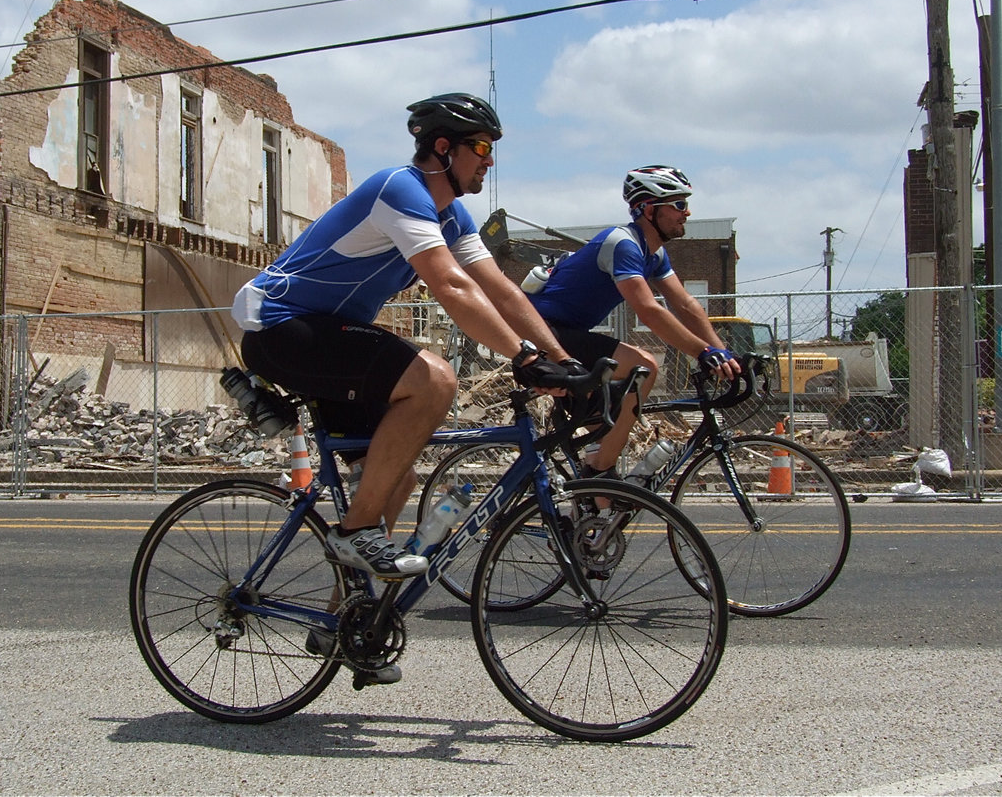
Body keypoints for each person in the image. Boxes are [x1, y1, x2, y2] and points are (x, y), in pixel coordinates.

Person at [231, 93, 584, 681]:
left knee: (397, 475)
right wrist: (521, 356)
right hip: (281, 326)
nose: (488, 161)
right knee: (433, 379)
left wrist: (560, 359)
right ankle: (356, 531)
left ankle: (343, 622)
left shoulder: (452, 216)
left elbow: (500, 290)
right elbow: (450, 286)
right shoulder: (401, 188)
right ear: (442, 148)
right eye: (480, 148)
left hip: (327, 331)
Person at [526, 164, 741, 480]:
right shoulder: (624, 244)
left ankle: (591, 505)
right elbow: (649, 311)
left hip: (568, 332)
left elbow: (685, 304)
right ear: (649, 209)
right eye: (679, 204)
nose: (688, 212)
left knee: (608, 430)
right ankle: (599, 472)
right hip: (545, 329)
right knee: (645, 366)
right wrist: (703, 353)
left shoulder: (653, 253)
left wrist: (724, 353)